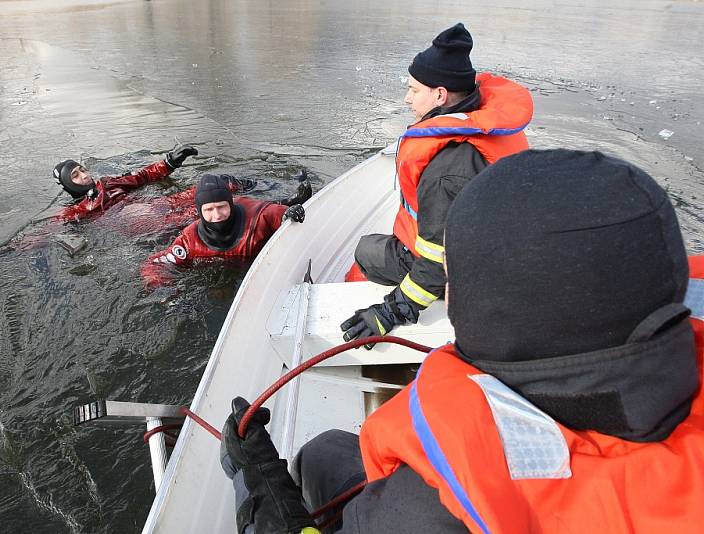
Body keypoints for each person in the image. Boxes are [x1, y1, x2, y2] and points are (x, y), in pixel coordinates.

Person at [220, 149, 704, 533]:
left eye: (458, 277)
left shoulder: (429, 512)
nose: (449, 291)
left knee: (322, 451)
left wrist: (257, 480)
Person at [341, 23, 533, 348]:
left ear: (440, 95)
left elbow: (438, 261)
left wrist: (389, 313)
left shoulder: (447, 170)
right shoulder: (492, 129)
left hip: (466, 273)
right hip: (501, 252)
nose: (407, 98)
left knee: (365, 250)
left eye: (414, 90)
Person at [141, 174, 308, 287]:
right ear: (199, 212)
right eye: (209, 210)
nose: (217, 215)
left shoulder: (258, 215)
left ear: (231, 203)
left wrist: (289, 214)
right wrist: (163, 289)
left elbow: (280, 216)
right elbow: (154, 264)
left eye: (222, 207)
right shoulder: (189, 240)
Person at [52, 145, 199, 222]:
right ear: (68, 184)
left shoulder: (107, 183)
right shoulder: (76, 211)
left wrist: (171, 161)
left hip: (154, 205)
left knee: (205, 192)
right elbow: (45, 232)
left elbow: (143, 176)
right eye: (75, 175)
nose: (84, 176)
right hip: (137, 220)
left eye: (83, 170)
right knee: (196, 216)